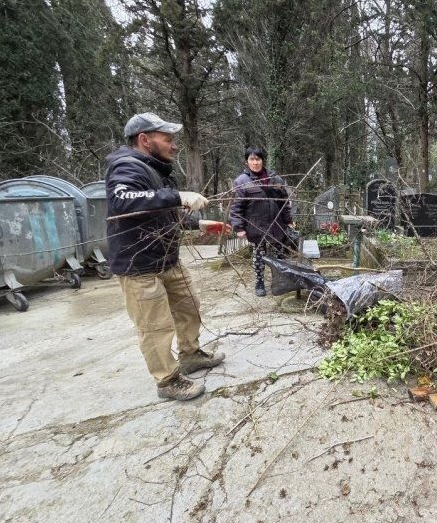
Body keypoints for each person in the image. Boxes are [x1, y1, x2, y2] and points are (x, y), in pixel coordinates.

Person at [105, 112, 225, 401]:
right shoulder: (126, 166)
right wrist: (178, 196)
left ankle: (190, 355)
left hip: (168, 259)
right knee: (155, 326)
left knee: (189, 307)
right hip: (139, 266)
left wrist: (198, 224)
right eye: (168, 139)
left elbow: (162, 215)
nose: (174, 145)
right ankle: (168, 381)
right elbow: (121, 201)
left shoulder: (156, 171)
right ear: (145, 140)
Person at [229, 147, 295, 297]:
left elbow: (284, 202)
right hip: (256, 225)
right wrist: (239, 227)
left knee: (279, 255)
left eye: (258, 159)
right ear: (246, 162)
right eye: (252, 159)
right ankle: (259, 282)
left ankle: (280, 281)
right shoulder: (241, 181)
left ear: (262, 160)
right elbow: (236, 207)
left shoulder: (275, 179)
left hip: (277, 224)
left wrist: (288, 221)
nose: (255, 162)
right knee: (259, 255)